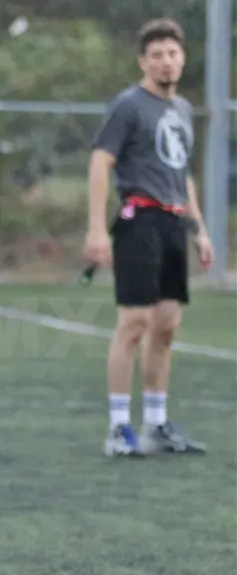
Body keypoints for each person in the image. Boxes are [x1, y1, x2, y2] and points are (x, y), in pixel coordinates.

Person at [84, 18, 213, 458]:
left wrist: (198, 228)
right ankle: (119, 428)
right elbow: (101, 162)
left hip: (174, 224)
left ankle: (156, 426)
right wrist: (97, 227)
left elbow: (182, 175)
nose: (166, 61)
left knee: (166, 327)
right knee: (134, 323)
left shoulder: (181, 110)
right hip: (139, 222)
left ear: (183, 59)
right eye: (156, 55)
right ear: (143, 61)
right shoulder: (129, 105)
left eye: (173, 54)